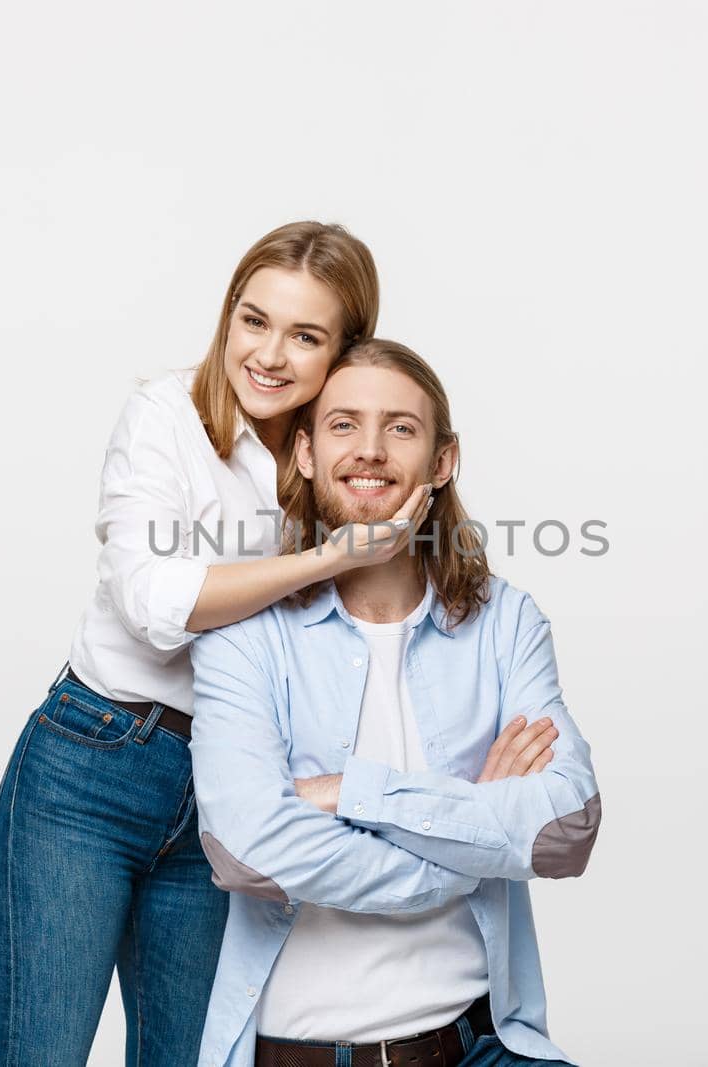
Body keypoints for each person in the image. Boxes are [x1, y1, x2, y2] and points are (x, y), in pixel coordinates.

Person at [0, 223, 434, 1067]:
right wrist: (326, 558)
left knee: (193, 1060)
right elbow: (154, 603)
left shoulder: (333, 466)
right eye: (252, 320)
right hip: (93, 763)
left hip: (229, 790)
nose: (267, 354)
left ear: (343, 351)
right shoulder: (165, 416)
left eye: (305, 335)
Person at [188, 339, 602, 1067]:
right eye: (344, 424)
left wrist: (349, 791)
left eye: (401, 428)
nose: (371, 450)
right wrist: (472, 835)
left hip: (482, 1046)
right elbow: (245, 847)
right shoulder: (244, 635)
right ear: (307, 452)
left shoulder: (505, 623)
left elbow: (564, 826)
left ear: (443, 461)